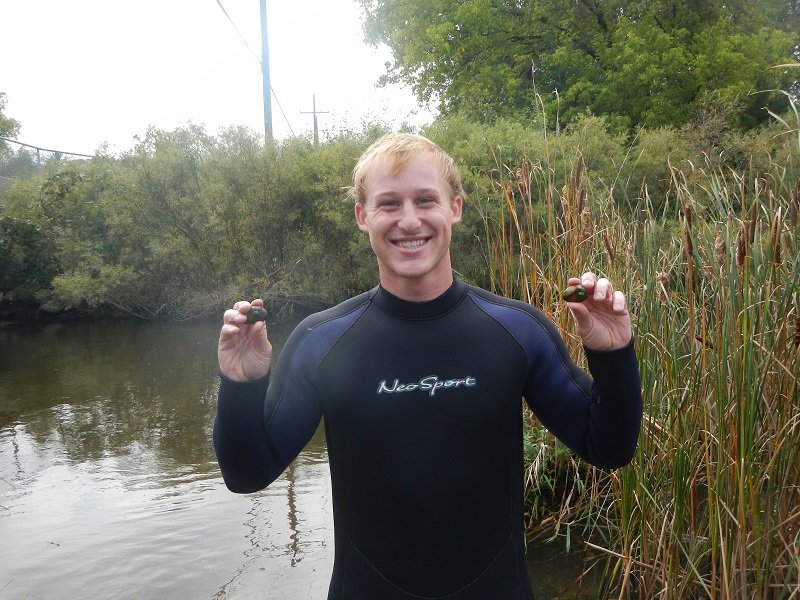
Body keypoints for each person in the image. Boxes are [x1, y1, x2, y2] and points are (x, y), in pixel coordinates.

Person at [214, 133, 642, 600]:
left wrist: (613, 353)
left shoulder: (517, 332)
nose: (409, 220)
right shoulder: (323, 342)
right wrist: (241, 382)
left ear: (454, 208)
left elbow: (609, 446)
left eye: (425, 200)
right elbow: (247, 473)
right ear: (363, 217)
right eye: (389, 204)